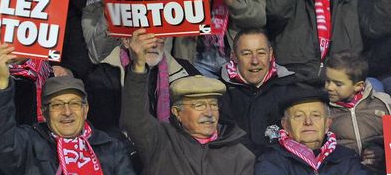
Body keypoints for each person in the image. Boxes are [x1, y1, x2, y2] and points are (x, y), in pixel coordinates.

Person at [0, 44, 136, 174]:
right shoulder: (29, 144)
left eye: (74, 104)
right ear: (44, 111)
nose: (67, 112)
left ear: (85, 109)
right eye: (57, 105)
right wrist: (1, 83)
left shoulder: (111, 147)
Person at [120, 33, 254, 174]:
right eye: (199, 105)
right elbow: (135, 118)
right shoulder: (161, 142)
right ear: (177, 113)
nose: (209, 113)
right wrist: (139, 65)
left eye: (213, 105)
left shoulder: (241, 156)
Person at [86, 28, 199, 136]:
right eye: (145, 38)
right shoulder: (103, 78)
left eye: (159, 37)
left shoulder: (185, 70)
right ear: (126, 41)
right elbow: (105, 132)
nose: (153, 44)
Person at [255, 88, 370, 174]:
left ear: (327, 124)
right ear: (285, 125)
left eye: (316, 115)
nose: (308, 122)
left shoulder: (347, 158)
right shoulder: (271, 160)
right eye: (299, 116)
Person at [220, 28, 296, 155]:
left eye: (261, 53)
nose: (255, 61)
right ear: (234, 56)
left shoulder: (292, 87)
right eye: (246, 54)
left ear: (271, 54)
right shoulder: (220, 92)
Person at [325, 51, 391, 174]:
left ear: (358, 86)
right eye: (327, 81)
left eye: (338, 84)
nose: (329, 87)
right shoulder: (325, 111)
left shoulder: (383, 103)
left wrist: (383, 151)